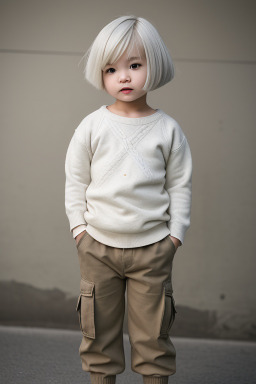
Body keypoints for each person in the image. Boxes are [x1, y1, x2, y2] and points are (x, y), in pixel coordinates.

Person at [65, 15, 192, 384]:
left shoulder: (168, 129)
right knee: (98, 336)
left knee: (153, 337)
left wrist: (174, 237)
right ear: (100, 73)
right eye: (111, 68)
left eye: (134, 65)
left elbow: (180, 185)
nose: (124, 76)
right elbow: (76, 180)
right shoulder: (91, 126)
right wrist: (79, 230)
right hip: (97, 247)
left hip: (152, 248)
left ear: (154, 65)